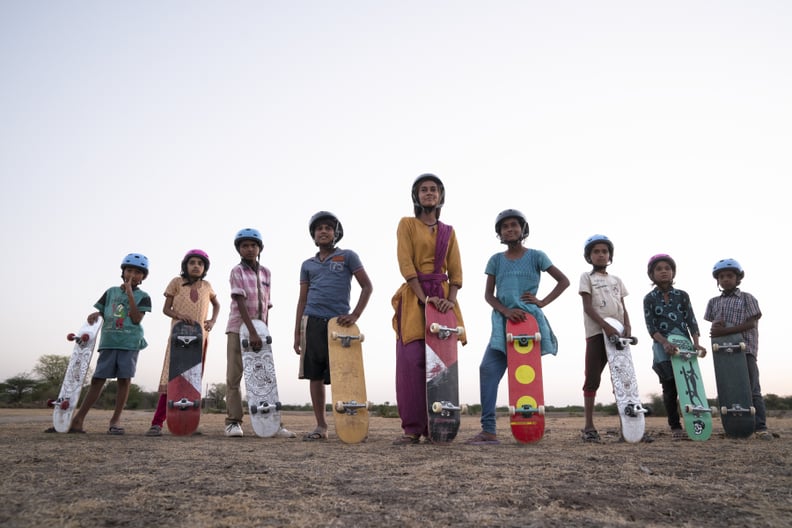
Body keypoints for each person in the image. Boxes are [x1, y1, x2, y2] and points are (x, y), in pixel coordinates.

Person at [465, 210, 569, 445]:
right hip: (503, 322)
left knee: (526, 377)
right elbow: (488, 296)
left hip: (528, 325)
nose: (510, 229)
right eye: (505, 227)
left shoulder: (537, 256)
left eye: (514, 225)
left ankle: (529, 426)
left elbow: (564, 281)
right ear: (499, 233)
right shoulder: (496, 260)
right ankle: (489, 430)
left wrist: (542, 302)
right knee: (487, 369)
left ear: (523, 230)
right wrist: (506, 311)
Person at [391, 173, 466, 445]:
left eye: (434, 190)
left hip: (443, 300)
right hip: (415, 297)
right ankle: (412, 429)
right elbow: (406, 263)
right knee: (412, 361)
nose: (429, 193)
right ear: (416, 196)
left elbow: (456, 271)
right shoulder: (407, 224)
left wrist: (451, 300)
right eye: (423, 190)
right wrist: (423, 298)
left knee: (442, 364)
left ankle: (439, 427)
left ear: (441, 196)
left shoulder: (450, 231)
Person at [293, 211, 373, 441]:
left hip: (339, 324)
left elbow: (367, 286)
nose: (324, 231)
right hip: (311, 321)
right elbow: (301, 299)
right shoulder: (307, 265)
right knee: (315, 375)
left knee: (345, 374)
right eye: (319, 228)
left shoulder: (347, 256)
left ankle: (351, 425)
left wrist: (355, 314)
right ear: (314, 235)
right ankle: (321, 426)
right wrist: (297, 332)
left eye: (329, 228)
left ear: (336, 233)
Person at [68, 253, 152, 434]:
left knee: (124, 380)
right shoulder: (111, 292)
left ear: (143, 277)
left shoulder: (144, 296)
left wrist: (130, 293)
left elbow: (137, 319)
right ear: (123, 272)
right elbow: (102, 312)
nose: (132, 274)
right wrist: (96, 314)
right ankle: (78, 419)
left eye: (138, 272)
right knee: (98, 379)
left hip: (129, 343)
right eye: (129, 270)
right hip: (109, 341)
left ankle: (115, 420)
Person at [225, 228, 295, 438]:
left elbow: (266, 305)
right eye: (244, 245)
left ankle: (273, 423)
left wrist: (263, 332)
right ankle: (233, 422)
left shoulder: (266, 273)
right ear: (239, 249)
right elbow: (239, 300)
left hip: (260, 332)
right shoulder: (237, 271)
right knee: (234, 377)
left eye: (253, 245)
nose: (249, 249)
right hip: (239, 329)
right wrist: (252, 331)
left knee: (265, 378)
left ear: (259, 248)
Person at [145, 250, 220, 436]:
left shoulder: (207, 286)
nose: (196, 266)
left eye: (200, 264)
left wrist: (212, 321)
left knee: (193, 380)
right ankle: (157, 423)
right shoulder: (176, 282)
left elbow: (217, 304)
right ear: (185, 265)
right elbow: (166, 308)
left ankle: (188, 423)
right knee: (172, 379)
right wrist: (179, 316)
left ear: (204, 268)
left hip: (200, 337)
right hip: (179, 336)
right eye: (192, 262)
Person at [704, 258, 772, 440]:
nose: (726, 279)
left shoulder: (747, 298)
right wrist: (716, 330)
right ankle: (735, 426)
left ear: (738, 278)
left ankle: (760, 427)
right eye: (721, 276)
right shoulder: (713, 302)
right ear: (717, 280)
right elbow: (714, 328)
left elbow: (751, 323)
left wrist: (725, 330)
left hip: (745, 349)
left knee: (751, 389)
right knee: (728, 389)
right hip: (723, 354)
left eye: (730, 276)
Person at [643, 254, 707, 440]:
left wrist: (696, 343)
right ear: (652, 274)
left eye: (667, 268)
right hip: (662, 348)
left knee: (690, 386)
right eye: (659, 269)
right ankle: (675, 427)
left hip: (685, 348)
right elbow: (651, 327)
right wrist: (664, 342)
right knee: (670, 387)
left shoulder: (682, 296)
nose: (664, 271)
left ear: (673, 272)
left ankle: (697, 424)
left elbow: (691, 321)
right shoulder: (649, 298)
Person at [577, 235, 633, 443]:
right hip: (596, 333)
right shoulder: (587, 277)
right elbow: (588, 308)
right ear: (589, 256)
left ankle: (629, 427)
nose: (601, 255)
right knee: (592, 378)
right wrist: (606, 327)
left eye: (604, 251)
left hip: (619, 335)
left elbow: (623, 307)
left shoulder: (616, 280)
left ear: (610, 255)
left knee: (622, 381)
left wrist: (627, 326)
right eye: (596, 252)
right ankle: (589, 427)